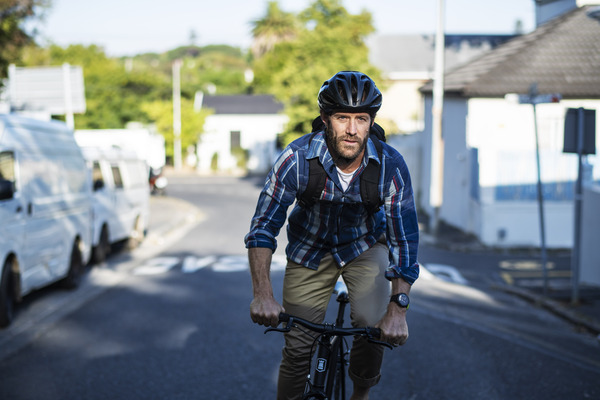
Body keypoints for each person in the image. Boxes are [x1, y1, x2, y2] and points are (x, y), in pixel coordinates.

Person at [245, 71, 419, 400]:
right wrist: (263, 294)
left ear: (371, 122)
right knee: (297, 349)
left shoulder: (390, 166)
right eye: (342, 118)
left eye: (361, 119)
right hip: (310, 251)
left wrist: (397, 311)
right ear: (325, 119)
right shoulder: (295, 159)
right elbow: (263, 227)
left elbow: (404, 240)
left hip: (365, 246)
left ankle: (360, 394)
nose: (352, 130)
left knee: (371, 326)